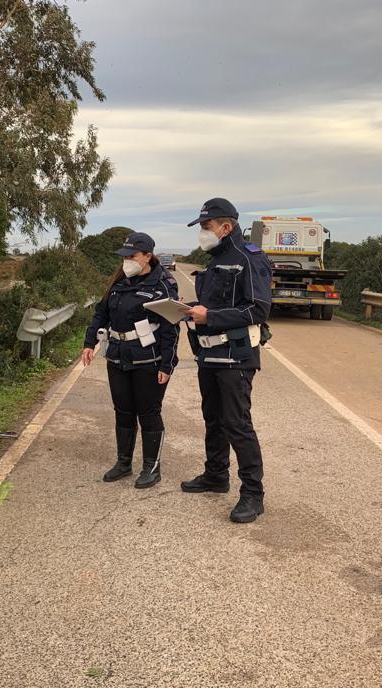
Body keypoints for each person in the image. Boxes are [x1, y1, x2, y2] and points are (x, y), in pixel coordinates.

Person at [180, 198, 272, 523]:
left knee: (237, 423)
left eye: (206, 227)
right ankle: (216, 475)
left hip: (236, 356)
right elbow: (213, 306)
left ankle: (253, 495)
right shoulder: (213, 262)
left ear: (225, 227)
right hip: (209, 355)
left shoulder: (249, 259)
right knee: (213, 419)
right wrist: (186, 309)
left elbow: (257, 309)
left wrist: (211, 315)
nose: (203, 233)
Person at [81, 232, 180, 488]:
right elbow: (100, 314)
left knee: (148, 412)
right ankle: (123, 462)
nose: (126, 261)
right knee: (123, 411)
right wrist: (88, 343)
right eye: (124, 256)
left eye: (132, 256)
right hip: (117, 358)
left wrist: (167, 364)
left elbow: (171, 328)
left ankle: (151, 467)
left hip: (148, 360)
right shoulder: (119, 282)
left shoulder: (163, 285)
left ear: (147, 256)